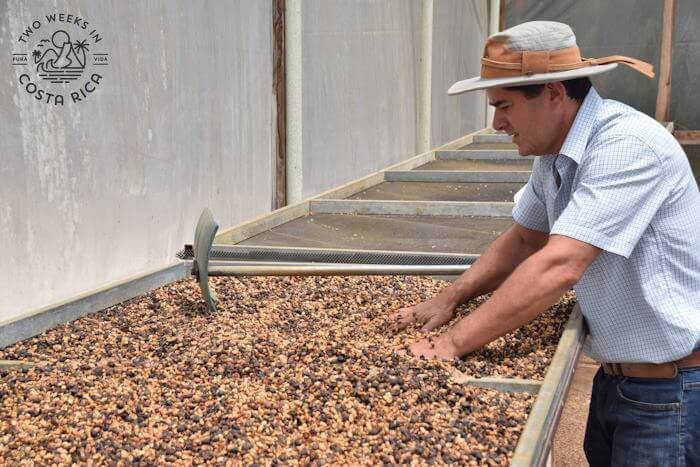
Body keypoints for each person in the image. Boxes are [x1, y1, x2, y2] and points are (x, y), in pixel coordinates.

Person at [391, 21, 700, 466]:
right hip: (619, 380)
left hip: (671, 391)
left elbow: (560, 264)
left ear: (554, 94)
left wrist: (449, 345)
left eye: (504, 106)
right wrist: (450, 298)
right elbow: (523, 239)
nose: (497, 123)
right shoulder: (553, 156)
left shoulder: (625, 146)